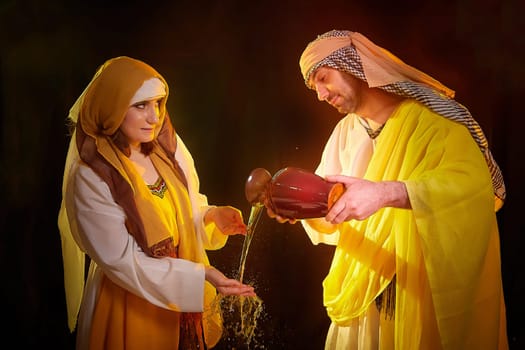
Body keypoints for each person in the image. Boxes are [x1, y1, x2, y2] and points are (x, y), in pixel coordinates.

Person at [270, 30, 508, 349]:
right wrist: (300, 209)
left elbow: (472, 188)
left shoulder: (433, 122)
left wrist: (385, 193)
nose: (321, 95)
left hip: (420, 294)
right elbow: (330, 210)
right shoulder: (346, 132)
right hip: (364, 295)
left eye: (324, 78)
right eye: (314, 87)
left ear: (353, 64)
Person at [57, 56, 256, 350]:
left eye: (159, 103)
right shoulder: (91, 175)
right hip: (127, 304)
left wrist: (211, 216)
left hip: (178, 299)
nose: (155, 116)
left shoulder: (167, 151)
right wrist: (201, 275)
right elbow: (122, 261)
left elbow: (184, 212)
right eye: (141, 105)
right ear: (112, 108)